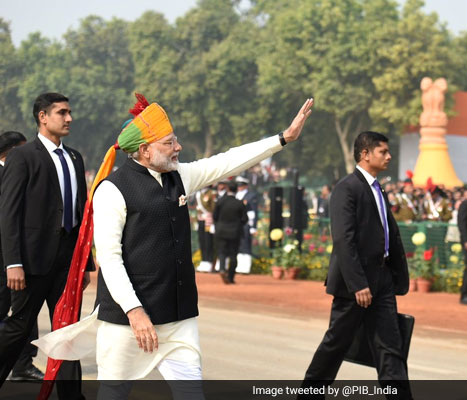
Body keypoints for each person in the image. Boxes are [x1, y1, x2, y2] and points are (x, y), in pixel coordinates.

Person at [33, 94, 313, 399]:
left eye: (175, 140)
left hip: (178, 318)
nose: (177, 147)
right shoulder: (112, 190)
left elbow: (227, 161)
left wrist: (282, 139)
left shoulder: (180, 176)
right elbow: (110, 260)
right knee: (113, 393)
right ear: (144, 150)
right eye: (169, 142)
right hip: (127, 323)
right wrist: (135, 312)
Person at [300, 131, 412, 400]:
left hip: (382, 279)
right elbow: (343, 239)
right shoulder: (346, 188)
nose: (389, 156)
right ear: (365, 154)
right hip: (356, 284)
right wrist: (358, 283)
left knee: (390, 348)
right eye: (383, 152)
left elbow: (387, 232)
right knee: (335, 345)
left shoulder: (378, 188)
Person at [0, 93, 93, 398]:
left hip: (68, 263)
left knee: (67, 333)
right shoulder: (23, 156)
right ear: (42, 116)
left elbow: (80, 214)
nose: (69, 118)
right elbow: (9, 213)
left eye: (69, 112)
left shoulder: (75, 158)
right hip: (31, 262)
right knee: (19, 327)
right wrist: (13, 262)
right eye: (62, 113)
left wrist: (86, 263)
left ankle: (71, 396)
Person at [0, 131, 44, 381]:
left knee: (23, 313)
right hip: (8, 259)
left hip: (15, 257)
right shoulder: (10, 174)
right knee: (20, 315)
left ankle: (22, 364)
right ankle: (21, 364)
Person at [213, 180, 247, 283]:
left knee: (222, 252)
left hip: (221, 230)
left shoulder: (220, 202)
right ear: (236, 190)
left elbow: (215, 216)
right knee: (233, 254)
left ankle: (222, 269)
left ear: (227, 189)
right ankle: (231, 278)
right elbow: (244, 219)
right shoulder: (239, 203)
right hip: (234, 232)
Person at [235, 176, 258, 272]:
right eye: (238, 185)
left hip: (246, 223)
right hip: (236, 223)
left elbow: (253, 212)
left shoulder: (251, 196)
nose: (239, 187)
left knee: (246, 244)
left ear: (246, 186)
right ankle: (239, 266)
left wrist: (253, 226)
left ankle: (246, 267)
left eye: (241, 185)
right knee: (238, 244)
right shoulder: (236, 195)